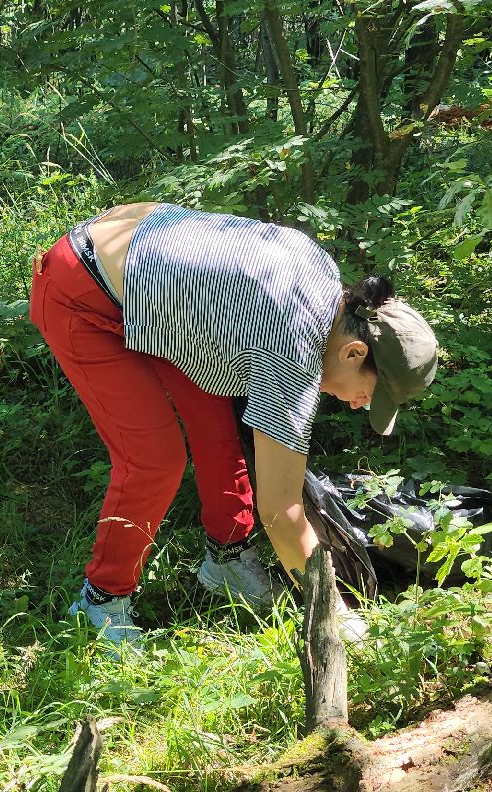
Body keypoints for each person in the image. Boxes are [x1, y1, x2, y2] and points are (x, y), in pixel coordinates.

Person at [29, 202, 438, 644]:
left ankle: (226, 559)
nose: (359, 406)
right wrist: (332, 614)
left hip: (142, 275)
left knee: (216, 432)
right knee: (154, 460)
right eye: (369, 394)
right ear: (354, 353)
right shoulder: (293, 346)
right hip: (80, 288)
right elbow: (281, 511)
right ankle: (99, 602)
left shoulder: (326, 286)